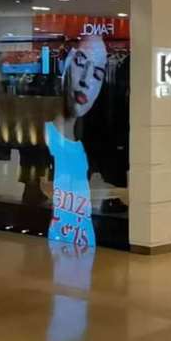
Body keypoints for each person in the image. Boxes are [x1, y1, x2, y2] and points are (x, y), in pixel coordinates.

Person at [46, 34, 108, 248]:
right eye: (81, 63)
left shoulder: (87, 144)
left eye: (97, 75)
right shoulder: (47, 135)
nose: (86, 80)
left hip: (83, 243)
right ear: (66, 64)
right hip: (57, 245)